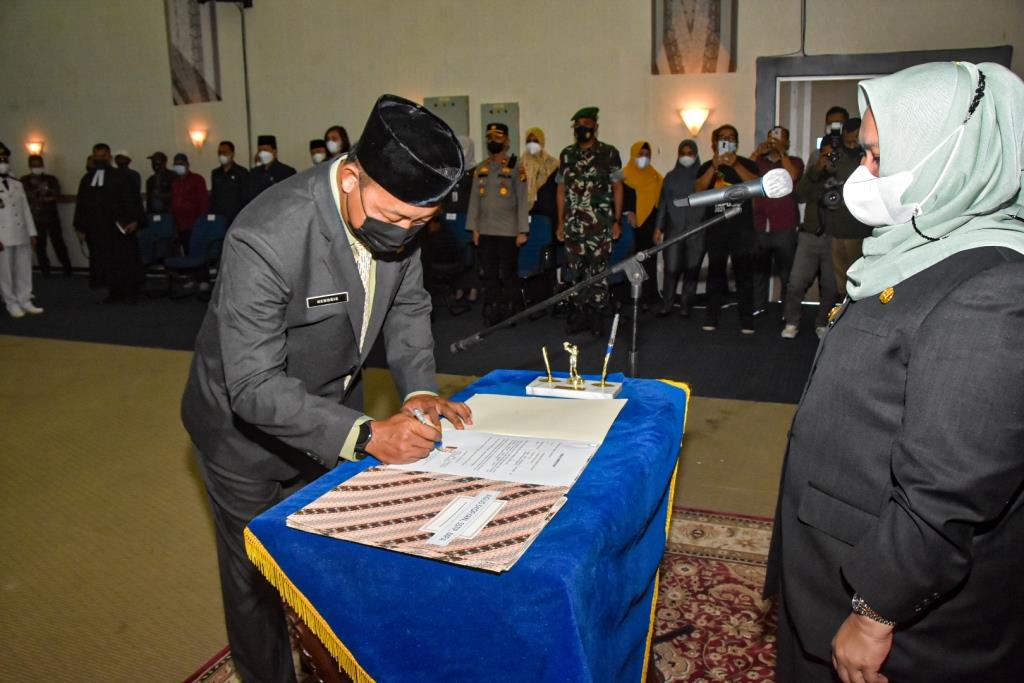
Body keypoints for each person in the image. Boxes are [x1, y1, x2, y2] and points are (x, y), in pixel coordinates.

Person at [181, 94, 473, 683]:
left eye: (420, 224)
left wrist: (418, 391)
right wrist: (365, 435)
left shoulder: (399, 217)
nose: (405, 233)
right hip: (241, 434)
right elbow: (253, 384)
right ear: (349, 177)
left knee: (333, 554)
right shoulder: (267, 235)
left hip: (330, 406)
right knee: (258, 580)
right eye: (395, 217)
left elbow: (408, 305)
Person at [766, 61, 1024, 683]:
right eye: (865, 152)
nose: (864, 173)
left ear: (951, 157)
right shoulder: (914, 249)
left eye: (879, 156)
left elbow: (949, 488)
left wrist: (875, 612)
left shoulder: (995, 288)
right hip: (830, 559)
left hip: (897, 620)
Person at [781, 115, 866, 339]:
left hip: (835, 235)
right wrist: (817, 169)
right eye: (828, 152)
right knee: (796, 282)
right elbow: (799, 195)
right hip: (810, 234)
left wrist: (841, 166)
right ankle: (791, 322)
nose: (832, 157)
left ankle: (822, 322)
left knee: (831, 287)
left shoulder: (857, 163)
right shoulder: (816, 164)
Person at [556, 106, 624, 335]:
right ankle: (580, 314)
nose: (582, 128)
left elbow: (618, 187)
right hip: (573, 225)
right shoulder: (566, 155)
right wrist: (560, 222)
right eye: (578, 125)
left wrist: (616, 220)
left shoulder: (609, 153)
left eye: (586, 123)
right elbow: (561, 190)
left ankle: (598, 316)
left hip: (600, 225)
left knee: (598, 272)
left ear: (595, 126)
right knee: (576, 272)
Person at [694, 124, 760, 333]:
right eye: (723, 137)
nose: (727, 140)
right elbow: (698, 190)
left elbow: (757, 186)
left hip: (742, 229)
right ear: (715, 143)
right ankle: (711, 317)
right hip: (716, 229)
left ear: (736, 143)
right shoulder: (707, 166)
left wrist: (736, 164)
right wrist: (714, 167)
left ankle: (747, 320)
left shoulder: (747, 163)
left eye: (732, 138)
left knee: (744, 274)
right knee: (715, 274)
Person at [467, 122, 529, 325]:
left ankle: (511, 310)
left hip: (508, 231)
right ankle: (492, 308)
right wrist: (474, 228)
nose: (493, 141)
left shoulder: (516, 167)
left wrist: (522, 230)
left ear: (507, 141)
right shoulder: (481, 168)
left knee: (508, 273)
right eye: (490, 137)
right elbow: (474, 200)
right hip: (485, 230)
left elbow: (522, 200)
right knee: (489, 273)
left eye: (498, 137)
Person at [73, 143, 144, 302]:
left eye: (103, 156)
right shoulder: (87, 179)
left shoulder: (121, 176)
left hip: (119, 228)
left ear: (109, 157)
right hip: (98, 230)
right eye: (97, 156)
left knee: (125, 260)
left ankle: (131, 292)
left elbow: (132, 200)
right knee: (105, 261)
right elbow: (82, 203)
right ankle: (114, 292)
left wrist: (134, 220)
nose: (100, 159)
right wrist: (80, 227)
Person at [750, 126, 804, 312]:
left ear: (787, 143)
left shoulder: (794, 161)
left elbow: (792, 176)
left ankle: (787, 311)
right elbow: (744, 177)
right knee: (758, 271)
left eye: (779, 138)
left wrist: (781, 153)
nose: (774, 141)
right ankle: (758, 307)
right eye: (771, 137)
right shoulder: (758, 161)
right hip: (760, 226)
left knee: (787, 273)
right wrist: (757, 153)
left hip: (785, 226)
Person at [653, 139, 706, 317]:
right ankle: (667, 304)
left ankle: (686, 305)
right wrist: (658, 228)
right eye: (682, 153)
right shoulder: (670, 177)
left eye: (690, 153)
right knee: (671, 268)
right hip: (673, 228)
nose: (686, 157)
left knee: (692, 269)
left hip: (697, 229)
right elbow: (663, 204)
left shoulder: (704, 176)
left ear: (696, 155)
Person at [831, 118, 875, 298]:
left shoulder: (868, 159)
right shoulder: (836, 156)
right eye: (847, 141)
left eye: (854, 142)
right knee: (840, 285)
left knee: (859, 281)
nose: (850, 145)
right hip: (837, 228)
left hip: (858, 230)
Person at [0, 152, 44, 317]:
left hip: (21, 232)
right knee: (5, 272)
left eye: (5, 161)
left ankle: (25, 300)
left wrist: (32, 233)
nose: (3, 164)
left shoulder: (17, 184)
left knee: (24, 269)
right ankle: (11, 303)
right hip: (3, 236)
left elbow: (25, 210)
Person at [622, 140, 664, 306]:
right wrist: (627, 211)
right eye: (640, 154)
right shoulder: (623, 175)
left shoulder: (656, 176)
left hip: (650, 224)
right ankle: (629, 298)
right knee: (629, 261)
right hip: (629, 225)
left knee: (648, 260)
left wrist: (659, 227)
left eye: (647, 155)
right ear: (633, 154)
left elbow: (662, 202)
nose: (644, 157)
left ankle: (648, 297)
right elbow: (615, 197)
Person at [21, 154, 72, 276]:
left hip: (51, 216)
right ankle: (45, 269)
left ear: (43, 165)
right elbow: (26, 197)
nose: (37, 167)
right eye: (34, 165)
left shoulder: (51, 179)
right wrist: (42, 196)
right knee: (40, 246)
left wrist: (42, 197)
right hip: (35, 218)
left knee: (58, 243)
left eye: (39, 165)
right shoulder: (24, 180)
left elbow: (56, 194)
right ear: (30, 166)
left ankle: (67, 268)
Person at [170, 153, 209, 254]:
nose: (178, 166)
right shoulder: (175, 182)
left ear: (187, 164)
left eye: (181, 164)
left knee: (196, 253)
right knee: (185, 253)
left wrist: (201, 223)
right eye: (176, 164)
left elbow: (204, 203)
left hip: (194, 225)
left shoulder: (197, 179)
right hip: (179, 226)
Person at [210, 140, 249, 227]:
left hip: (235, 217)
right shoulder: (215, 173)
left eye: (224, 152)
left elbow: (245, 196)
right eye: (219, 152)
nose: (221, 155)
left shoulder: (241, 172)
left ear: (232, 153)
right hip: (219, 217)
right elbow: (213, 196)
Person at [521, 126, 559, 213]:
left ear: (542, 142)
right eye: (529, 141)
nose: (531, 144)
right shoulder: (519, 165)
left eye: (535, 141)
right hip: (524, 211)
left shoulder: (553, 164)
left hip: (546, 211)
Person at [248, 134, 296, 199]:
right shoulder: (254, 172)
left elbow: (291, 196)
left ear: (274, 151)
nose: (262, 153)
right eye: (260, 150)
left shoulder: (287, 172)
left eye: (265, 150)